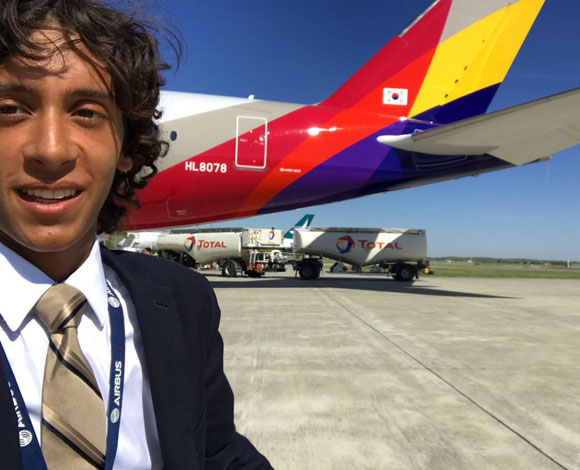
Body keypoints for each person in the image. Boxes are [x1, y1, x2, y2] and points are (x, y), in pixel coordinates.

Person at [0, 0, 272, 469]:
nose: (51, 150)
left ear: (125, 146)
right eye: (10, 109)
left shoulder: (184, 301)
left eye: (87, 112)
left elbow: (219, 454)